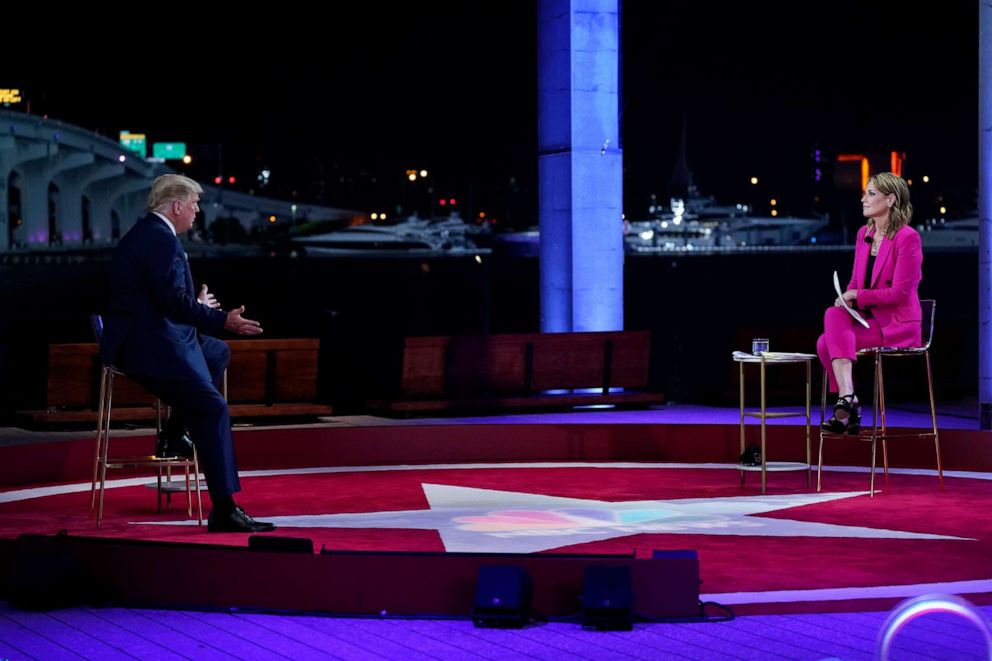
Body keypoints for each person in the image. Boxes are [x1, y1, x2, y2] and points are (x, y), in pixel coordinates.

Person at [100, 174, 275, 533]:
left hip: (149, 333)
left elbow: (159, 299)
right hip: (146, 347)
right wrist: (221, 318)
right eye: (194, 204)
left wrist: (196, 308)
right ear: (176, 206)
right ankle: (224, 509)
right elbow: (170, 302)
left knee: (216, 353)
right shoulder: (160, 241)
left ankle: (174, 432)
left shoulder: (150, 234)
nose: (197, 211)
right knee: (212, 407)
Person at [816, 172, 923, 434]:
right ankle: (848, 396)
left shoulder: (907, 238)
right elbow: (856, 279)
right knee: (833, 313)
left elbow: (900, 293)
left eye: (871, 194)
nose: (863, 199)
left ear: (890, 200)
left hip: (898, 325)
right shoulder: (864, 233)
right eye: (865, 193)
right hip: (868, 318)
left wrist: (857, 296)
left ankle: (847, 407)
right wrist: (847, 297)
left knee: (824, 342)